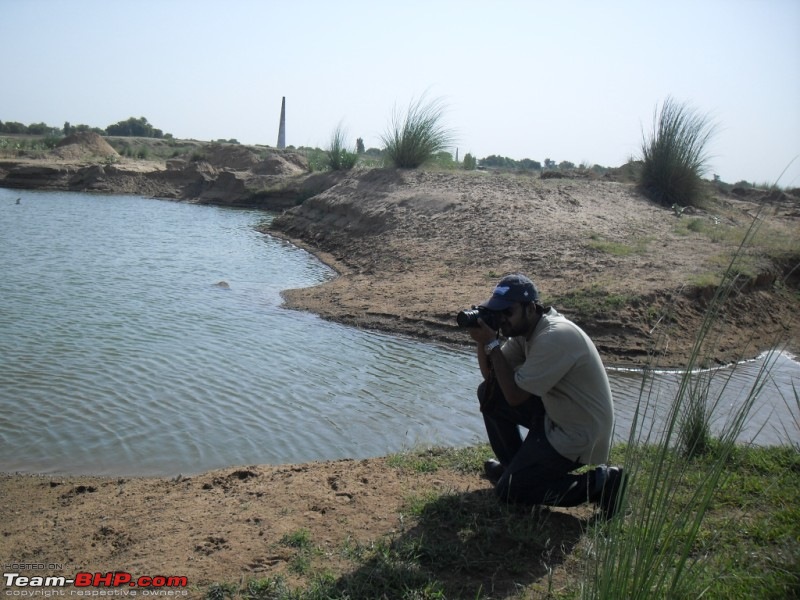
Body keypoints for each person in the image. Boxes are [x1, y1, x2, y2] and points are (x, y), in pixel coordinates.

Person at [466, 273, 625, 519]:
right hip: (555, 414)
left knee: (510, 492)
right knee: (488, 393)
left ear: (530, 308)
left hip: (578, 433)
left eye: (507, 312)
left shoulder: (554, 336)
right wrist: (482, 341)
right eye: (497, 313)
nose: (501, 319)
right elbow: (492, 379)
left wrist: (492, 345)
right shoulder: (525, 332)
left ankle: (601, 483)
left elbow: (516, 397)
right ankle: (513, 467)